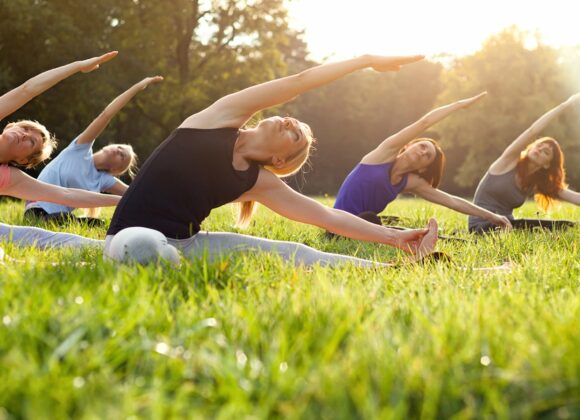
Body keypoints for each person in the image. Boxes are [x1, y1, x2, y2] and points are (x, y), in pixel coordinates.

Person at [104, 54, 440, 266]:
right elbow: (298, 83)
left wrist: (396, 238)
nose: (291, 123)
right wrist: (363, 60)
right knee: (145, 245)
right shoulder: (218, 118)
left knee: (297, 253)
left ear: (280, 158)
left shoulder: (258, 181)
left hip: (186, 244)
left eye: (296, 136)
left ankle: (405, 267)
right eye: (294, 122)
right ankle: (167, 264)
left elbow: (327, 216)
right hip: (127, 237)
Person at [331, 92, 512, 234]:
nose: (422, 152)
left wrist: (491, 216)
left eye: (427, 156)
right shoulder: (384, 154)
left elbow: (451, 201)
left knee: (388, 226)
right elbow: (424, 123)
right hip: (337, 225)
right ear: (410, 144)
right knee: (374, 221)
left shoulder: (410, 182)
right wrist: (458, 106)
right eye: (423, 146)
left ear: (424, 168)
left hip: (363, 227)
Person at [0, 52, 122, 251]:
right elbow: (27, 90)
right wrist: (78, 65)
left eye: (31, 141)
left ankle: (113, 248)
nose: (24, 135)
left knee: (32, 235)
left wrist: (125, 200)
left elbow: (67, 195)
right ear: (9, 126)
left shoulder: (7, 177)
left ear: (23, 160)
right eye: (24, 128)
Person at [24, 76, 163, 226]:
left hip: (60, 218)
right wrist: (137, 87)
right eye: (118, 147)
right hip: (37, 213)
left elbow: (135, 196)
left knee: (99, 224)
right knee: (83, 223)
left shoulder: (103, 180)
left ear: (116, 169)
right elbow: (106, 114)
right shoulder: (79, 149)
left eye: (122, 156)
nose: (117, 151)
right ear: (107, 146)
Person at [468, 93, 580, 233]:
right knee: (546, 229)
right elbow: (532, 131)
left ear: (547, 165)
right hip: (481, 227)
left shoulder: (534, 180)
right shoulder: (508, 161)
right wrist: (565, 105)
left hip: (508, 225)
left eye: (546, 152)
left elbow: (573, 197)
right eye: (539, 145)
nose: (539, 150)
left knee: (567, 226)